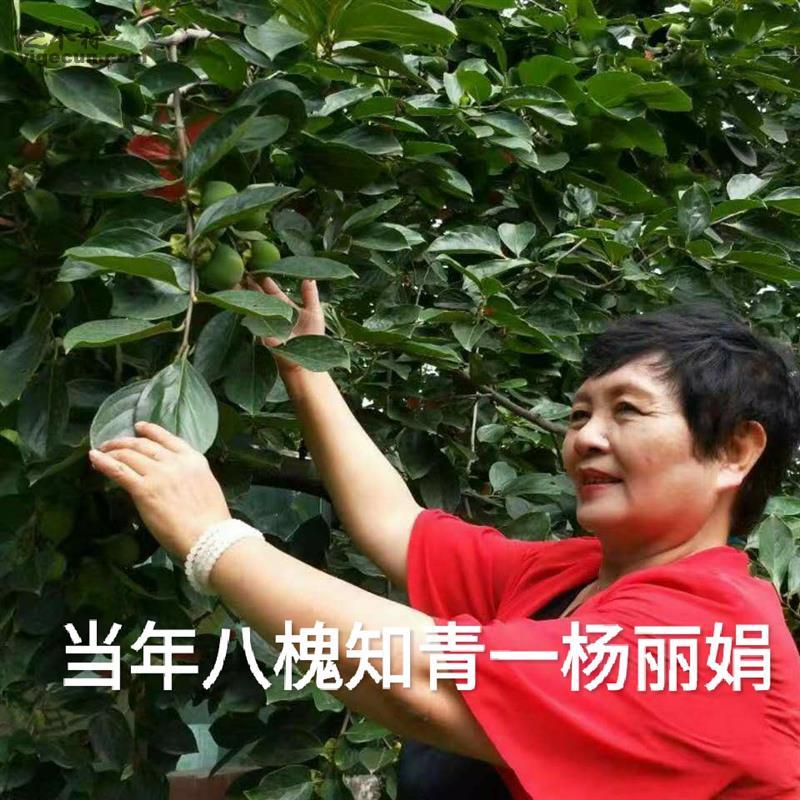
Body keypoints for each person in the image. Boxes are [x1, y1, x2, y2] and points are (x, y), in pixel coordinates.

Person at [88, 281, 800, 799]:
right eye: (580, 413)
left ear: (735, 451)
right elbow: (397, 527)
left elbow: (419, 681)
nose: (587, 437)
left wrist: (213, 540)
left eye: (628, 411)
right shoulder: (572, 577)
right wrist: (306, 371)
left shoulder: (709, 642)